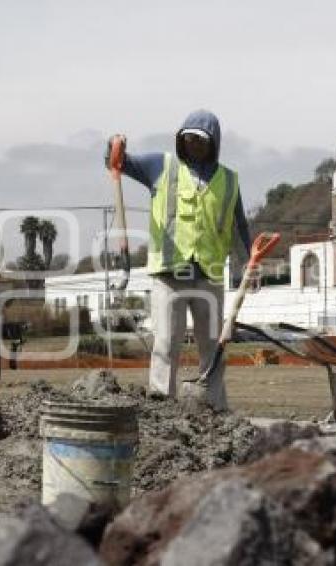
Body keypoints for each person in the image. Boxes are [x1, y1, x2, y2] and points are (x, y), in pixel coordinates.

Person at [105, 109, 251, 410]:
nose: (194, 145)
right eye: (189, 139)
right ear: (180, 140)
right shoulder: (162, 165)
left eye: (201, 140)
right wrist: (113, 147)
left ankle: (215, 407)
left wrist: (248, 263)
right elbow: (120, 163)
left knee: (213, 346)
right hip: (169, 274)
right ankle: (161, 407)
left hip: (208, 276)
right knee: (166, 344)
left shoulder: (229, 180)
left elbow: (240, 227)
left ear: (214, 143)